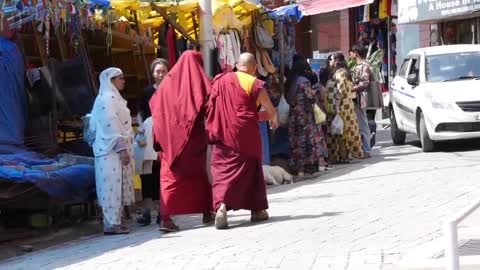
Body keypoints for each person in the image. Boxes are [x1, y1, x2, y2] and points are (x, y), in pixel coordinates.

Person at [206, 52, 278, 230]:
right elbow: (270, 111)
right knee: (251, 170)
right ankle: (257, 210)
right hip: (246, 135)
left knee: (223, 172)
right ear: (254, 69)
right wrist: (272, 118)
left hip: (222, 134)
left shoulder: (220, 81)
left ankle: (221, 207)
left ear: (237, 66)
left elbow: (211, 108)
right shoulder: (254, 83)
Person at [149, 51, 214, 233]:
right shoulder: (199, 81)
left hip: (169, 141)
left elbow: (156, 107)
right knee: (199, 176)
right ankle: (207, 212)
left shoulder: (166, 85)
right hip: (194, 141)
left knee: (170, 179)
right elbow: (209, 103)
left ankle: (166, 219)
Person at [90, 68, 135, 235]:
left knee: (118, 185)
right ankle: (111, 224)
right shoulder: (107, 100)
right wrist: (121, 148)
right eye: (120, 78)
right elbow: (111, 125)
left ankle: (116, 221)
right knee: (111, 186)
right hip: (110, 151)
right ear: (111, 80)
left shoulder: (115, 98)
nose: (123, 81)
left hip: (115, 151)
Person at [136, 58, 169, 226]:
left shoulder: (171, 92)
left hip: (165, 138)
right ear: (152, 73)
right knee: (147, 174)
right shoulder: (146, 92)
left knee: (162, 174)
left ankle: (162, 212)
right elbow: (140, 113)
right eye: (158, 71)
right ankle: (147, 212)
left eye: (163, 71)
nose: (161, 75)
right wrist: (142, 126)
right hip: (148, 138)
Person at [285, 55, 330, 178]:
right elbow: (309, 97)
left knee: (296, 142)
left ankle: (299, 169)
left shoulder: (291, 81)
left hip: (294, 115)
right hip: (305, 115)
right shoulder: (304, 81)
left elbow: (289, 98)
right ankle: (306, 168)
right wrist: (315, 92)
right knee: (307, 141)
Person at [325, 53, 364, 163]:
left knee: (341, 132)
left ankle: (343, 156)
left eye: (331, 59)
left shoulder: (341, 74)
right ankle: (344, 155)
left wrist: (337, 108)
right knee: (341, 131)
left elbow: (340, 92)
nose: (329, 61)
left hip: (342, 107)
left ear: (336, 61)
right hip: (343, 106)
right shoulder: (339, 73)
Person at [350, 45, 372, 158]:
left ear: (356, 53)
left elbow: (365, 83)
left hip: (360, 98)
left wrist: (351, 88)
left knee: (363, 125)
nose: (350, 54)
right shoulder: (357, 66)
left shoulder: (364, 66)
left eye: (352, 52)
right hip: (355, 98)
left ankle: (366, 150)